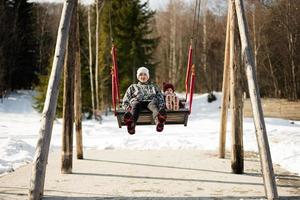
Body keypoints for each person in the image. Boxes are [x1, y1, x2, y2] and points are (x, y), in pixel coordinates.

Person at [122, 67, 167, 134]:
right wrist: (127, 108)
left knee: (154, 105)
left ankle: (159, 122)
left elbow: (160, 97)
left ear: (148, 76)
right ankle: (131, 124)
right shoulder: (133, 87)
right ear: (138, 77)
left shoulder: (153, 86)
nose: (143, 76)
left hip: (151, 102)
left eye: (145, 74)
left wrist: (161, 107)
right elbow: (126, 99)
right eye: (140, 74)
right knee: (135, 105)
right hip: (137, 102)